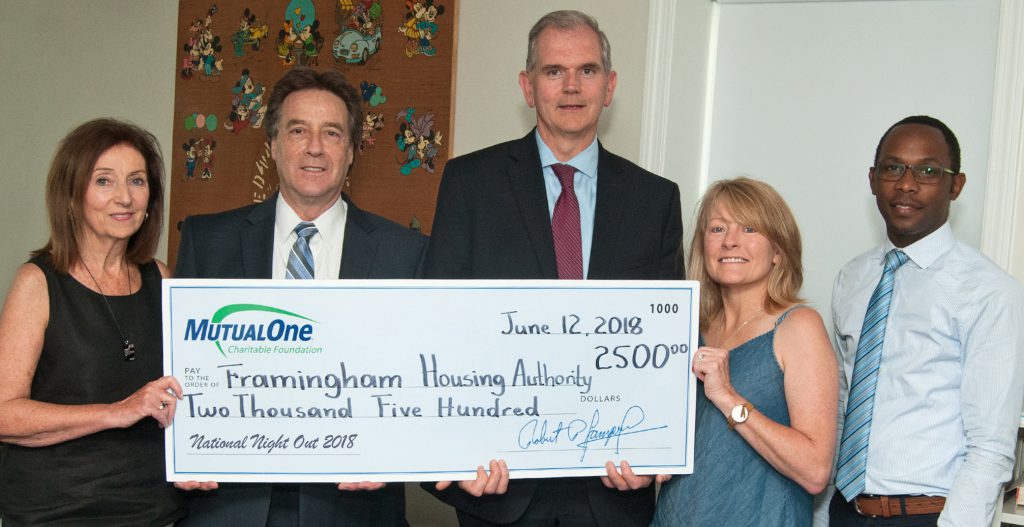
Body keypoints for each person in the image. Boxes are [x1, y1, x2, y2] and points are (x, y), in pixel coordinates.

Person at [422, 10, 683, 527]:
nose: (571, 86)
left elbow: (666, 343)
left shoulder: (654, 199)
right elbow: (438, 325)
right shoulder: (470, 183)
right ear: (527, 86)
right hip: (496, 485)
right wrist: (451, 452)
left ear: (609, 86)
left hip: (613, 490)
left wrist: (654, 451)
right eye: (553, 71)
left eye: (587, 70)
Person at [174, 67, 427, 527]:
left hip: (354, 509)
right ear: (272, 144)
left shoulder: (406, 253)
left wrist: (395, 451)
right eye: (297, 131)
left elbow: (423, 382)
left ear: (352, 151)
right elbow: (180, 372)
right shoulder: (206, 241)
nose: (314, 147)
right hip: (231, 505)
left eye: (331, 133)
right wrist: (182, 442)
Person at [829, 116, 1024, 526]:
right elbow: (843, 407)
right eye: (893, 167)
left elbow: (990, 447)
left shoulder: (989, 291)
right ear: (873, 179)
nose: (906, 184)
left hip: (928, 515)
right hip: (845, 510)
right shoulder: (852, 278)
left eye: (928, 171)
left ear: (956, 185)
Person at [0, 118, 186, 525]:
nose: (125, 197)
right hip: (56, 512)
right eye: (104, 181)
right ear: (71, 197)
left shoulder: (163, 279)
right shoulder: (37, 282)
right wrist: (115, 412)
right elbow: (4, 413)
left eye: (137, 181)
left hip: (154, 510)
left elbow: (190, 389)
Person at [651, 177, 837, 526]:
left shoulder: (798, 326)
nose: (730, 241)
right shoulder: (685, 329)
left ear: (778, 251)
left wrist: (728, 398)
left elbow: (815, 471)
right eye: (717, 228)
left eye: (749, 228)